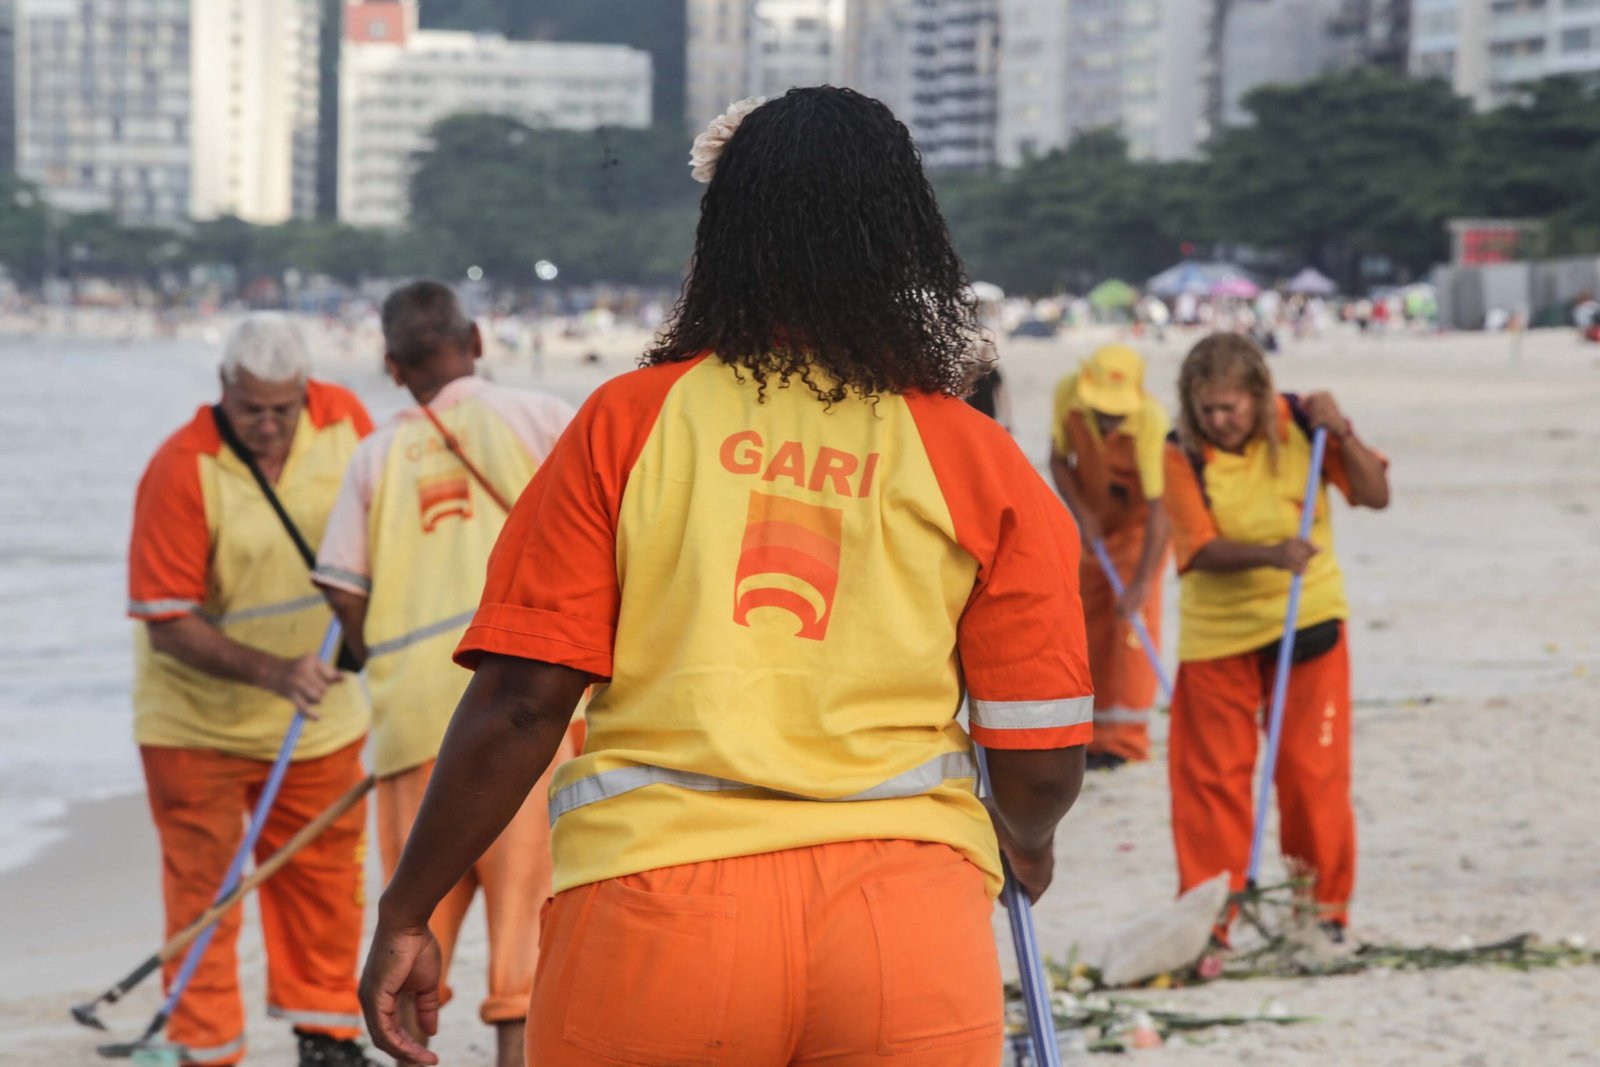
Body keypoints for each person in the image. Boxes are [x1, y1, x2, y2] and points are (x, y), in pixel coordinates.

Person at [359, 86, 1093, 1067]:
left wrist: (410, 909)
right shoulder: (973, 455)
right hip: (905, 927)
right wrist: (1027, 841)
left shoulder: (627, 424)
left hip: (656, 920)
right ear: (906, 241)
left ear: (724, 233)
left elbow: (523, 704)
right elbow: (1039, 752)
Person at [314, 281, 577, 1067]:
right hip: (526, 713)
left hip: (409, 727)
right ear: (479, 339)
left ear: (392, 368)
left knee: (412, 933)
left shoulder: (374, 453)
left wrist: (379, 655)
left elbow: (340, 583)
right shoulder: (541, 416)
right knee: (524, 947)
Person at [127, 316, 376, 1067]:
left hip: (322, 721)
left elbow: (377, 529)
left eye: (282, 408)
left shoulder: (345, 421)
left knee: (327, 885)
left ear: (306, 393)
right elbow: (166, 620)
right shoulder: (181, 467)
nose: (268, 425)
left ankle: (326, 1036)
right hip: (194, 727)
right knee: (204, 892)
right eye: (252, 410)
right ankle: (206, 1047)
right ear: (223, 392)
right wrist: (275, 673)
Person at [1162, 332, 1389, 940]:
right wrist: (1271, 554)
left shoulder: (1304, 428)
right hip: (1218, 634)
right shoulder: (1180, 451)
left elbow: (1375, 495)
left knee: (1311, 774)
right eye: (1206, 409)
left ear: (1259, 398)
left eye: (1229, 409)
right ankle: (1210, 919)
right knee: (1212, 785)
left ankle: (1322, 914)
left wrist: (1340, 430)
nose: (1218, 421)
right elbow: (1199, 550)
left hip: (1307, 619)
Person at [1049, 343, 1171, 769]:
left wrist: (1141, 582)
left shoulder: (1152, 419)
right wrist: (1081, 515)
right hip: (1093, 527)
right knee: (1089, 626)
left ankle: (1126, 741)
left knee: (1133, 629)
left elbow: (1161, 508)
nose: (1108, 419)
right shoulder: (1068, 394)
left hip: (1139, 531)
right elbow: (1059, 459)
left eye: (1116, 413)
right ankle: (1092, 735)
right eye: (1102, 410)